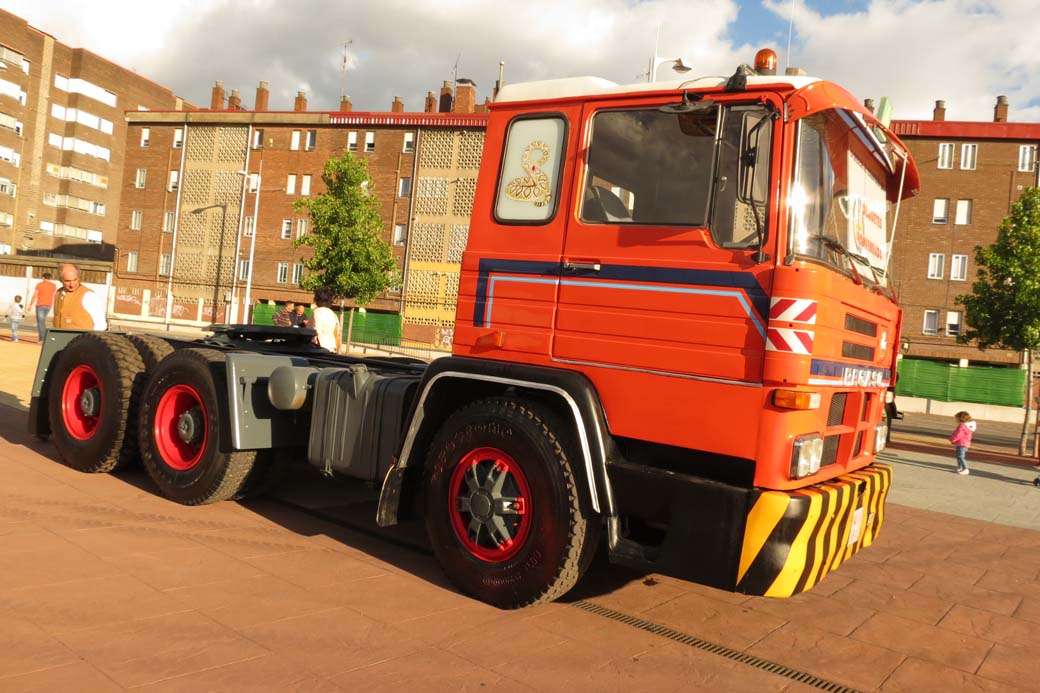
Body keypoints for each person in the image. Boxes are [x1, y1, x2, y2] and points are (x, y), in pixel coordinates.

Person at [52, 263, 107, 330]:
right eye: (67, 281)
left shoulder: (88, 296)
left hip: (82, 339)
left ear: (79, 278)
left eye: (75, 280)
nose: (72, 284)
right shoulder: (58, 293)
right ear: (60, 280)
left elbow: (101, 325)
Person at [26, 272, 57, 341]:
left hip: (40, 304)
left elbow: (35, 295)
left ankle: (42, 338)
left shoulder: (40, 285)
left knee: (40, 322)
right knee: (42, 321)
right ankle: (43, 337)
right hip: (49, 304)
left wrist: (31, 304)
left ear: (43, 277)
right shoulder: (53, 285)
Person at [311, 287, 341, 353]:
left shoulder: (317, 312)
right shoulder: (333, 314)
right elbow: (337, 334)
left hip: (318, 348)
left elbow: (316, 331)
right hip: (332, 349)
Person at [949, 411, 976, 476]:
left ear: (960, 418)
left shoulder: (962, 426)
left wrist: (952, 439)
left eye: (957, 418)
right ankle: (961, 468)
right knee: (959, 456)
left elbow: (958, 435)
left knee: (960, 456)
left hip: (962, 443)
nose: (956, 420)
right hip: (963, 443)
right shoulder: (967, 426)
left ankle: (965, 469)